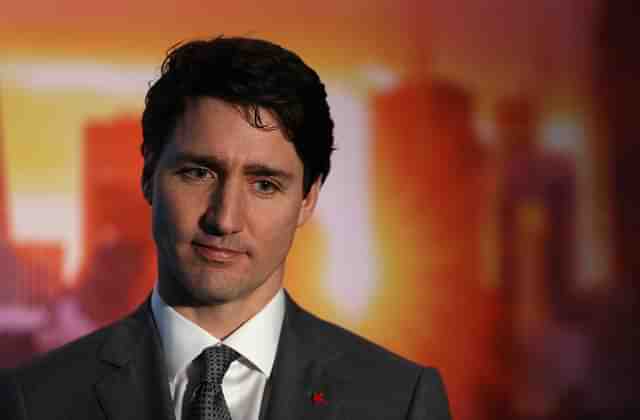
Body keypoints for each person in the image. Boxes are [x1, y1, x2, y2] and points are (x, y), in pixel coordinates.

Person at [0, 36, 451, 420]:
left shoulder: (398, 402)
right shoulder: (35, 401)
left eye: (265, 184)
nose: (225, 219)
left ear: (308, 198)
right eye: (199, 173)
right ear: (148, 175)